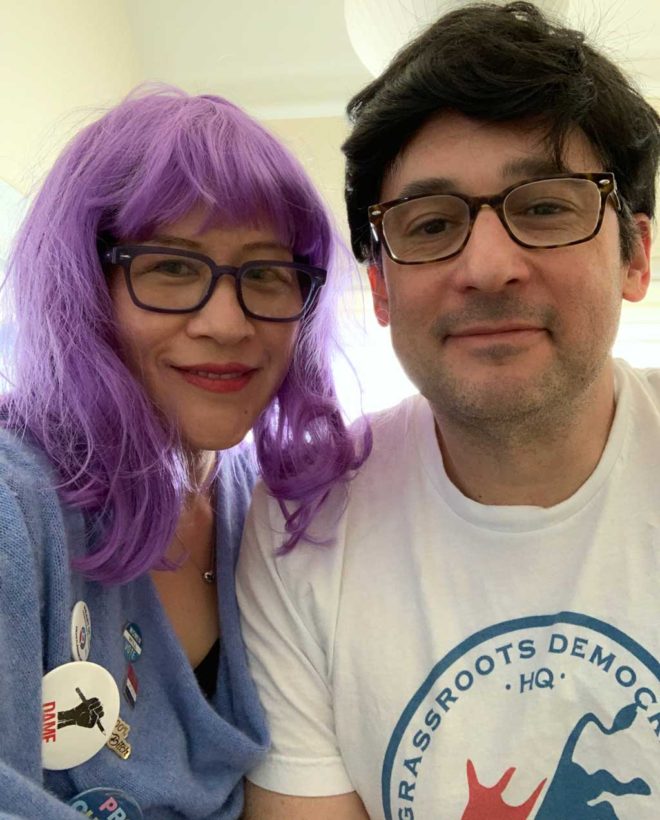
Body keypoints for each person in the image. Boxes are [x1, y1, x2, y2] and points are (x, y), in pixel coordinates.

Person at [237, 3, 660, 818]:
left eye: (544, 207)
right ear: (382, 291)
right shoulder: (303, 523)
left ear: (635, 256)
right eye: (431, 224)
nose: (489, 266)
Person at [0, 86, 368, 818]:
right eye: (171, 267)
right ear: (85, 285)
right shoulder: (18, 505)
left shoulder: (259, 503)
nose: (227, 323)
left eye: (265, 273)